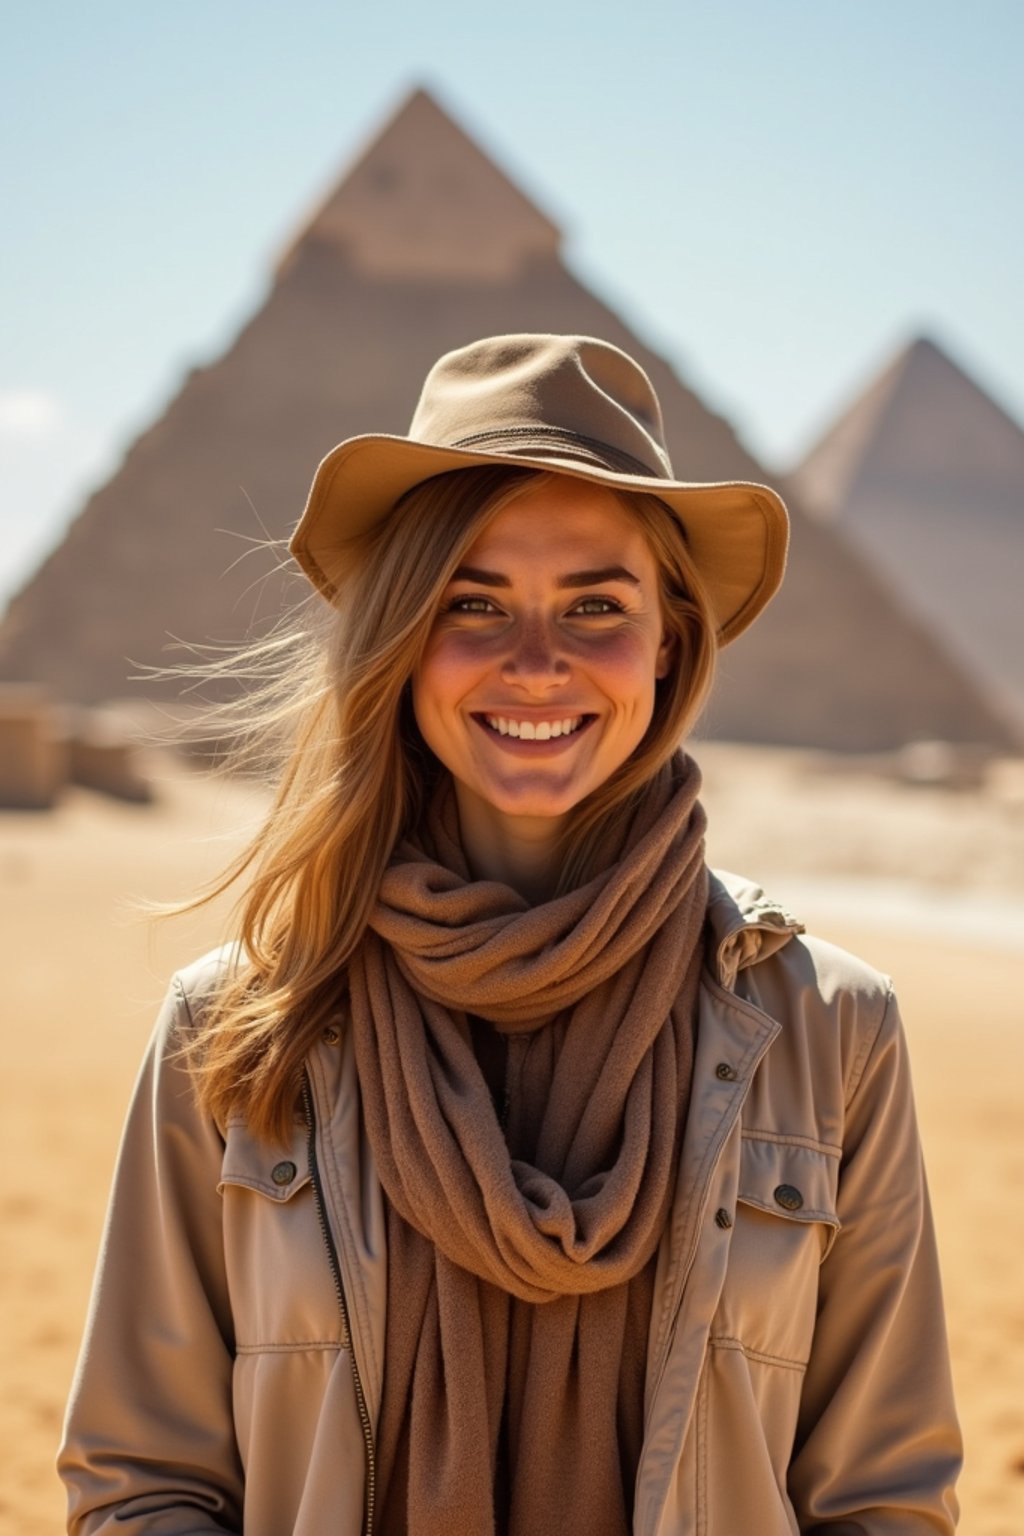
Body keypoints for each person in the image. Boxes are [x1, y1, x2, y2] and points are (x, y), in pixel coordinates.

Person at [59, 334, 962, 1535]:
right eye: (470, 605)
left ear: (670, 644)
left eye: (596, 605)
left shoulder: (831, 1030)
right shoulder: (233, 1029)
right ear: (400, 644)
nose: (537, 664)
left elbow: (884, 1499)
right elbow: (142, 1484)